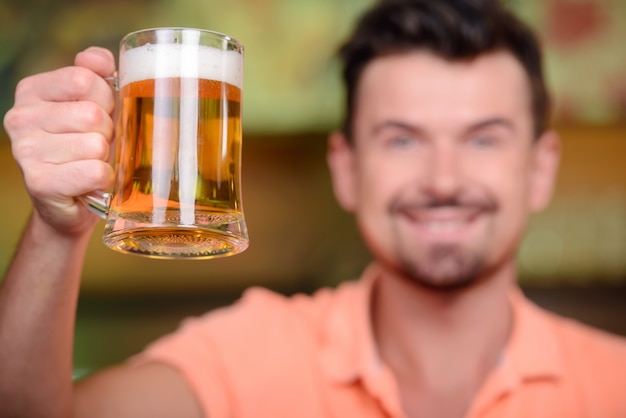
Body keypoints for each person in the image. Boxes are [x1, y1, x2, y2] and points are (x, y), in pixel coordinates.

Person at [2, 0, 626, 417]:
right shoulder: (250, 351)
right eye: (402, 138)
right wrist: (60, 227)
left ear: (541, 168)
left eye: (483, 138)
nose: (443, 179)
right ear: (346, 168)